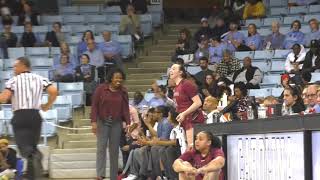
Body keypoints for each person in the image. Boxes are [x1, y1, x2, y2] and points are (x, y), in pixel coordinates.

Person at [0, 57, 58, 179]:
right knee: (32, 147)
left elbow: (4, 98)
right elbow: (53, 91)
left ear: (23, 66)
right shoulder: (40, 78)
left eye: (16, 66)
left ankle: (38, 156)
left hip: (20, 116)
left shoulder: (13, 81)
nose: (14, 69)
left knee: (25, 150)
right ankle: (33, 176)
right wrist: (47, 105)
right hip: (35, 116)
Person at [91, 68, 130, 180]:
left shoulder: (123, 91)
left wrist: (128, 123)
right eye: (116, 77)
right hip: (102, 122)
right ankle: (100, 175)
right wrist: (93, 122)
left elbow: (125, 109)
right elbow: (94, 106)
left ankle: (113, 176)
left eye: (121, 78)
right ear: (111, 78)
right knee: (101, 148)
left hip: (116, 123)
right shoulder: (101, 89)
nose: (119, 80)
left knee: (114, 150)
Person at [169, 63, 204, 148]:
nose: (171, 70)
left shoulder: (186, 84)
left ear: (180, 72)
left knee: (191, 148)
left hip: (192, 120)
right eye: (170, 69)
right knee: (186, 148)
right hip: (184, 120)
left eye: (174, 69)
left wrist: (184, 113)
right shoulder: (177, 87)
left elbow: (198, 102)